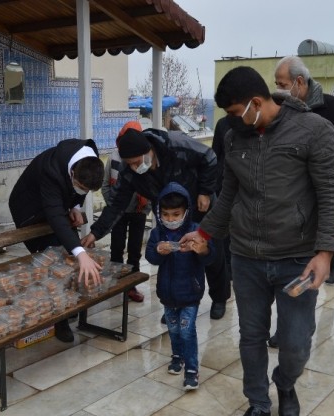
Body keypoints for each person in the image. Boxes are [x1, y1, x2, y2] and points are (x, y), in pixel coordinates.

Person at [182, 66, 334, 416]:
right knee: (251, 336)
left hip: (297, 258)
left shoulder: (313, 131)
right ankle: (258, 402)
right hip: (247, 256)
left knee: (295, 342)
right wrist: (205, 232)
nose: (232, 121)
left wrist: (326, 252)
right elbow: (229, 194)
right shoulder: (236, 137)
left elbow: (333, 193)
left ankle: (286, 384)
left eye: (237, 112)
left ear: (257, 102)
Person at [80, 126, 226, 320]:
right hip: (169, 215)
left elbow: (209, 157)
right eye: (129, 164)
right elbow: (116, 205)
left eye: (137, 162)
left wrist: (206, 191)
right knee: (173, 255)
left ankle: (219, 298)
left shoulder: (176, 145)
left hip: (200, 205)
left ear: (149, 149)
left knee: (210, 252)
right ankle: (175, 304)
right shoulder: (129, 172)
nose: (134, 167)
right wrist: (95, 233)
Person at [9, 138, 105, 342]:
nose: (82, 191)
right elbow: (54, 216)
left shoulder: (88, 159)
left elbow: (79, 191)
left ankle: (66, 305)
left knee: (65, 259)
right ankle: (59, 321)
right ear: (72, 173)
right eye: (79, 186)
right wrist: (80, 252)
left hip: (56, 205)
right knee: (51, 261)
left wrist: (76, 206)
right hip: (30, 209)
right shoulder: (51, 171)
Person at [274, 56, 334, 286]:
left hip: (325, 190)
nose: (279, 90)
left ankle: (332, 266)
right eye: (277, 85)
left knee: (327, 238)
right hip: (292, 199)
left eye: (282, 84)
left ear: (299, 82)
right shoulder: (281, 109)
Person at [145, 182, 216, 390]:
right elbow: (151, 257)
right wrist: (158, 250)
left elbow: (210, 257)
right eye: (165, 215)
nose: (170, 219)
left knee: (187, 331)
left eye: (176, 214)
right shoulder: (158, 233)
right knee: (174, 330)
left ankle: (192, 369)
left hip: (190, 294)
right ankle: (177, 357)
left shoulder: (196, 231)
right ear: (159, 213)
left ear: (186, 212)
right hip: (167, 294)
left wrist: (201, 250)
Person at [102, 121, 152, 303]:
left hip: (139, 211)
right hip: (119, 212)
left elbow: (150, 186)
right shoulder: (115, 157)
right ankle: (116, 284)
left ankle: (131, 285)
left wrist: (145, 207)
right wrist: (113, 205)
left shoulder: (144, 158)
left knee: (134, 250)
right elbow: (106, 184)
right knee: (116, 247)